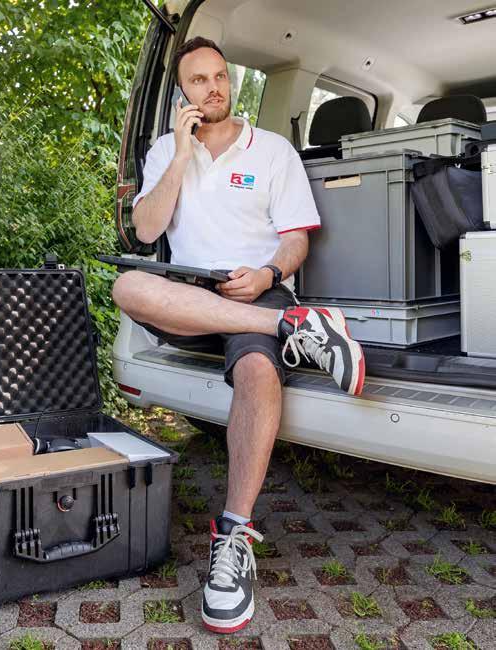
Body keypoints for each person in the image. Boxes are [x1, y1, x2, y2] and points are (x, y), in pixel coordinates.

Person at [111, 36, 365, 634]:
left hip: (258, 289)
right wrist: (180, 155)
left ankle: (233, 536)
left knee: (256, 371)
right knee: (128, 286)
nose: (214, 88)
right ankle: (295, 329)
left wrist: (269, 276)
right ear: (183, 94)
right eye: (199, 80)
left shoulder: (273, 151)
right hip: (193, 297)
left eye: (220, 76)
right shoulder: (164, 151)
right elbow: (146, 232)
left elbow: (296, 239)